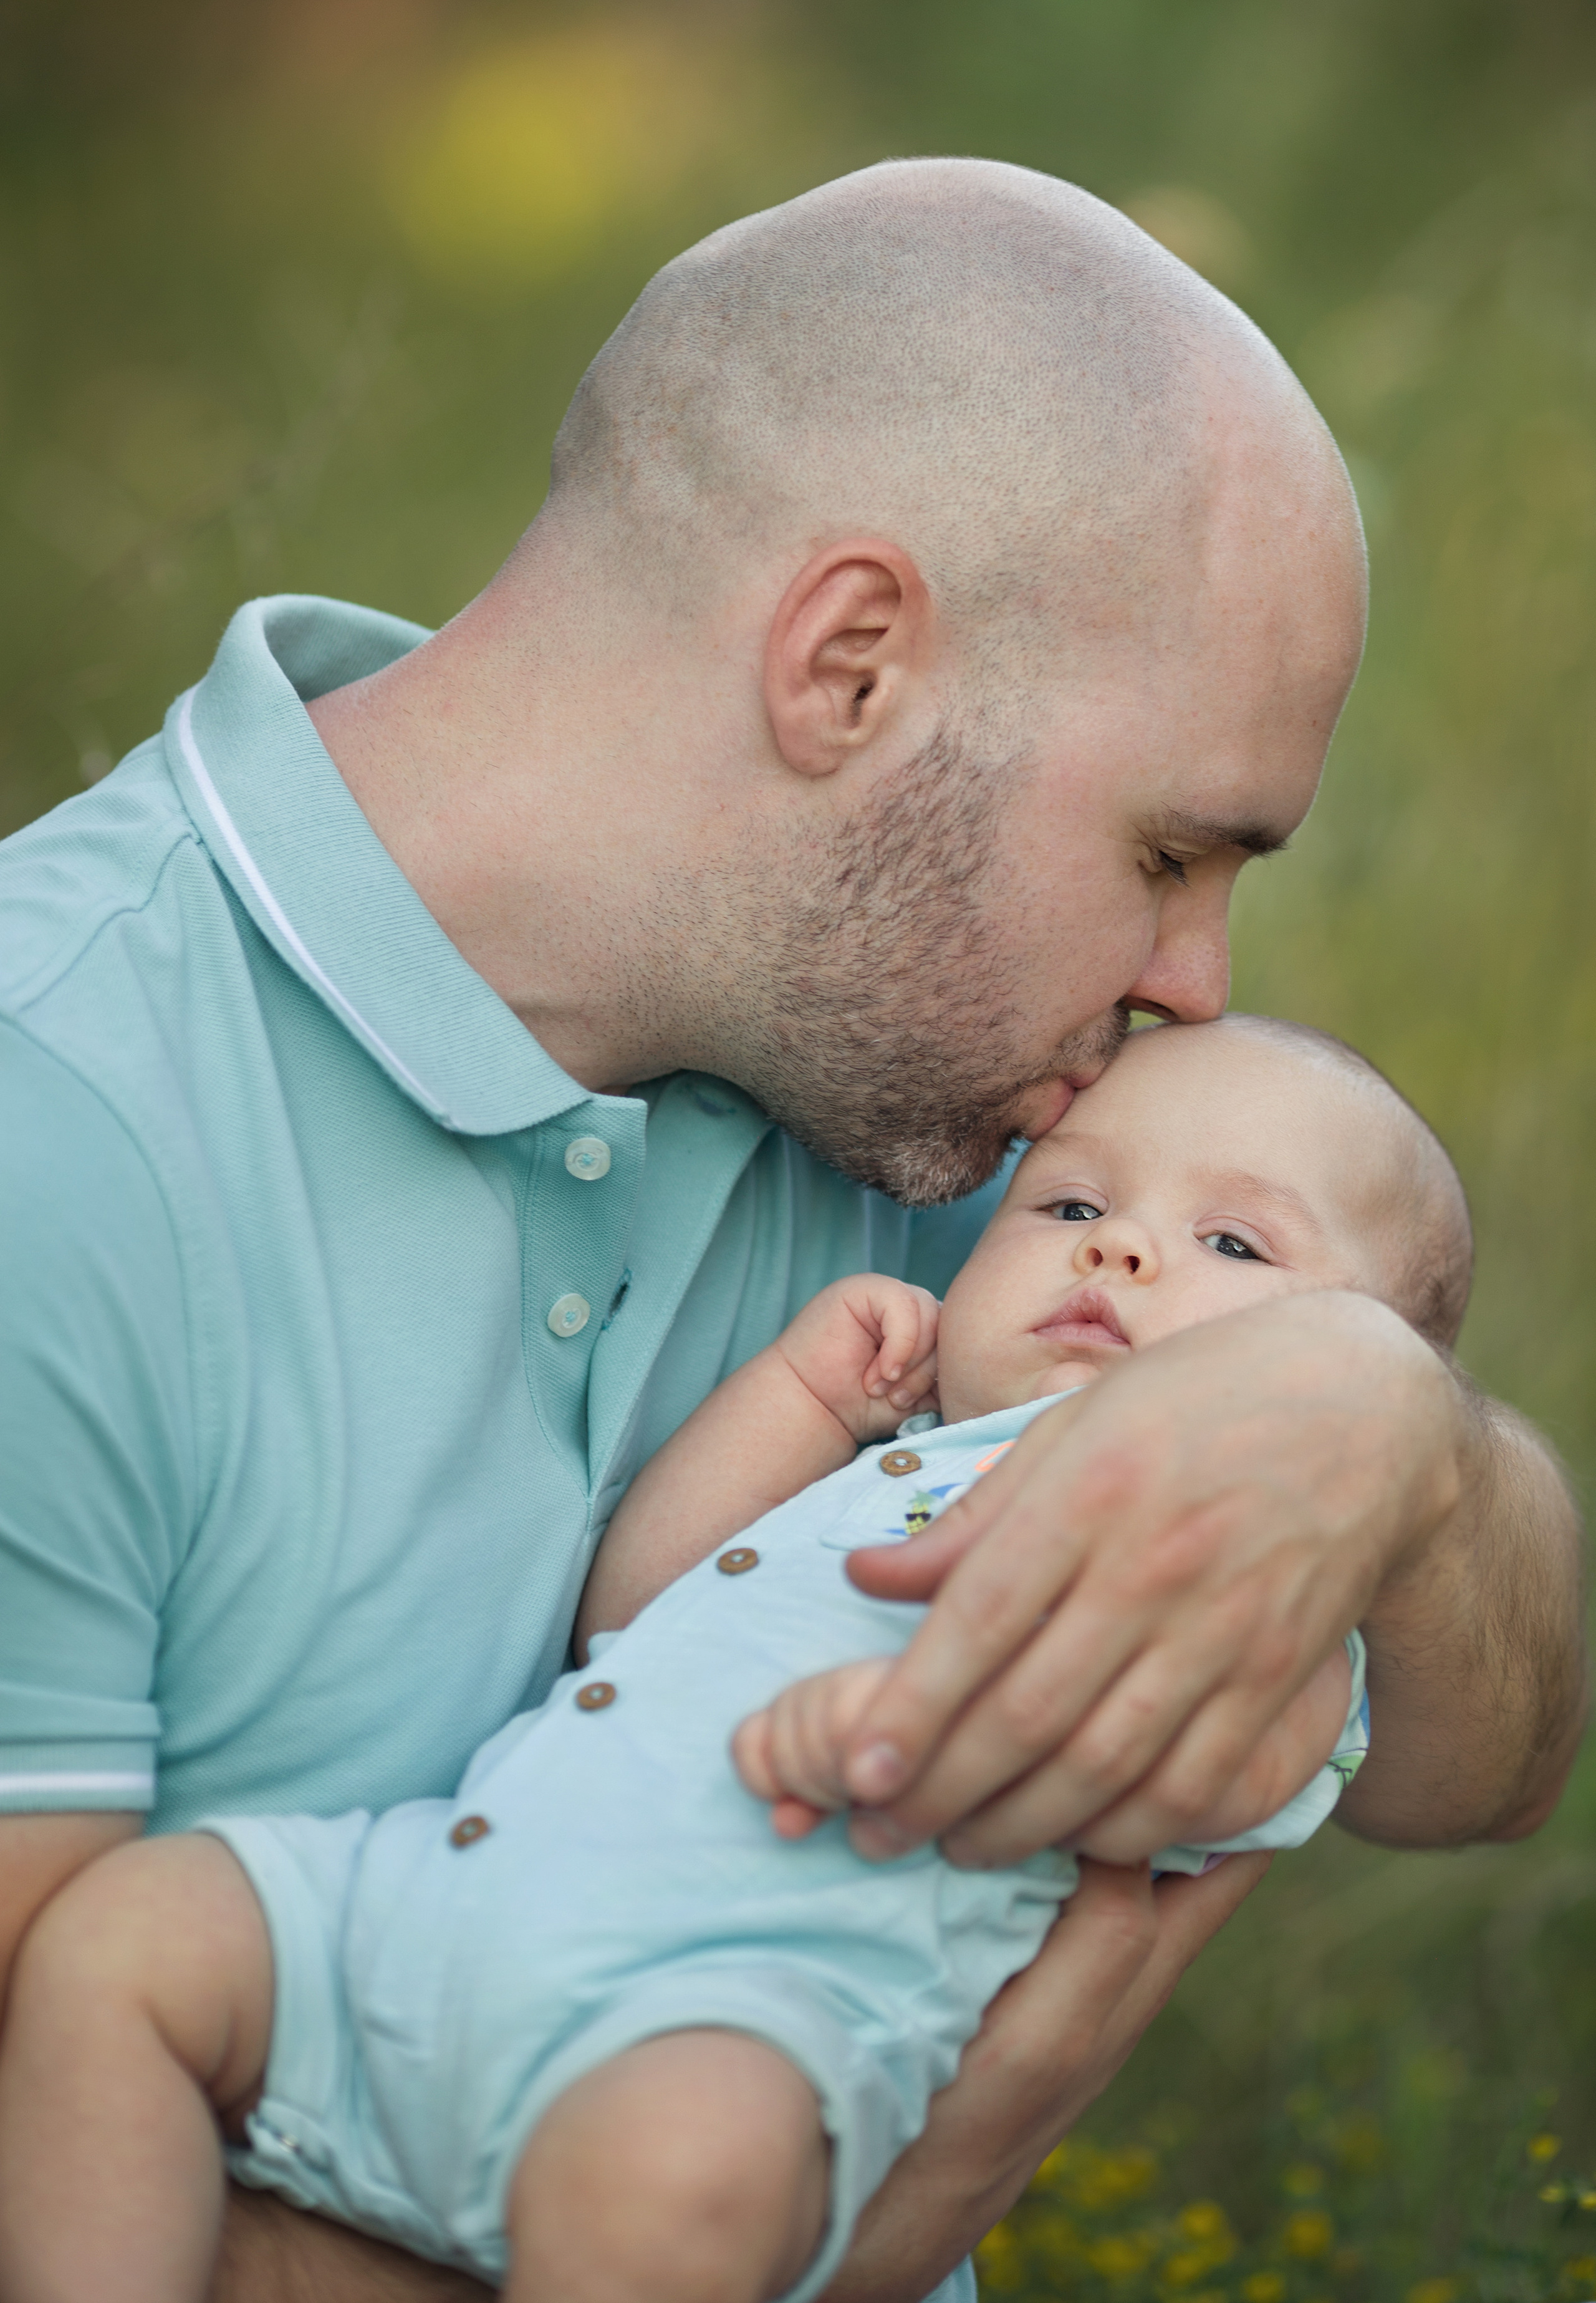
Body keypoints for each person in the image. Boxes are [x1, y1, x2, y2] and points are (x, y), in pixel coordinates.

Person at [0, 158, 1583, 2303]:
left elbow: (1479, 1765)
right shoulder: (59, 1124)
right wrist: (845, 2237)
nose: (1199, 985)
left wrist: (1393, 1438)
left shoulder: (959, 1128)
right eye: (1173, 850)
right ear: (849, 667)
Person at [0, 1016, 1516, 2303]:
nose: (1117, 1243)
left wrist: (898, 1728)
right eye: (1065, 1207)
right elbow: (639, 1610)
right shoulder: (901, 1451)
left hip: (728, 2024)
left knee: (665, 2186)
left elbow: (1227, 1760)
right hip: (434, 1901)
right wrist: (798, 1397)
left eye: (1232, 1240)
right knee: (128, 1941)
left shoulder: (1247, 1564)